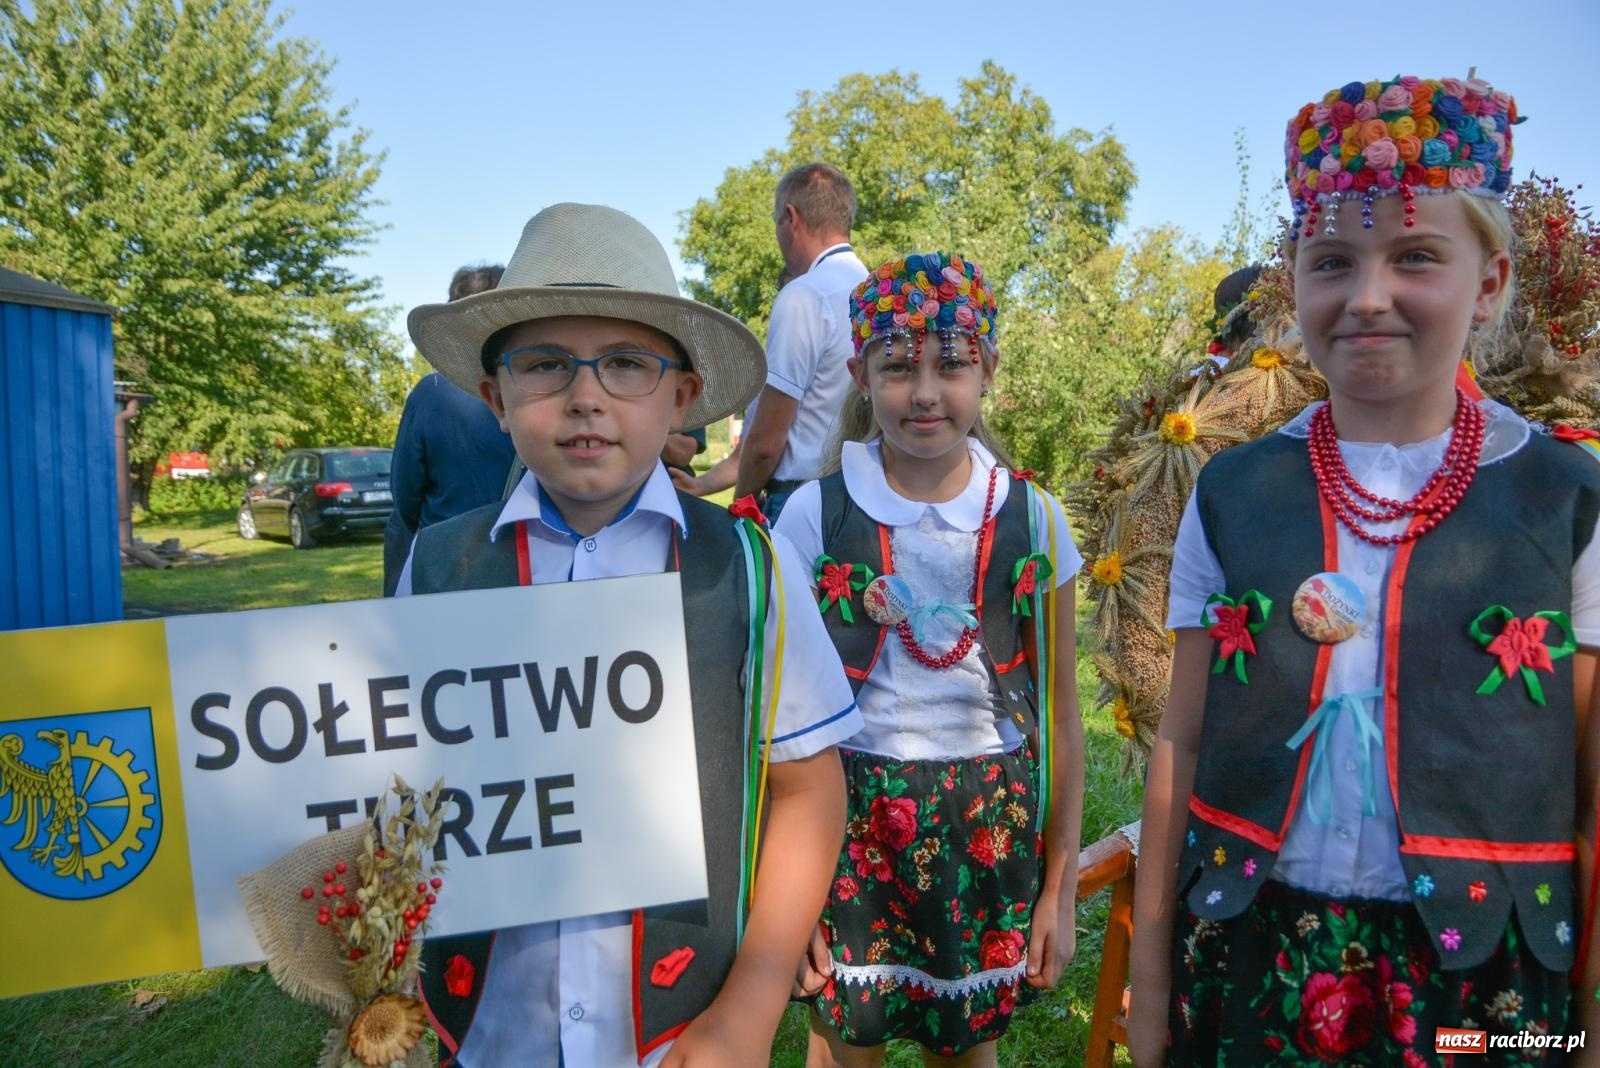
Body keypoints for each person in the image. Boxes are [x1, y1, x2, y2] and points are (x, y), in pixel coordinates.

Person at [1128, 75, 1600, 1066]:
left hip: (1493, 971)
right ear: (1295, 281)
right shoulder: (1234, 493)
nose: (1367, 295)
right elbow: (1181, 739)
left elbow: (1589, 772)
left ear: (1489, 283)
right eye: (1332, 261)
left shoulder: (1563, 496)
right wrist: (1151, 974)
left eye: (1416, 256)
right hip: (1255, 940)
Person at [395, 202, 862, 1067]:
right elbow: (388, 785)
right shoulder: (435, 568)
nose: (585, 397)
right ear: (495, 398)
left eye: (626, 365)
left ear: (682, 397)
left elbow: (808, 790)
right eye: (543, 365)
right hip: (491, 1030)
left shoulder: (750, 569)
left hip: (682, 1031)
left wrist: (751, 1009)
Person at [777, 252, 1085, 1066]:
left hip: (987, 814)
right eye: (897, 367)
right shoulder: (814, 516)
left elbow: (1059, 714)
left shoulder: (1034, 519)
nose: (923, 392)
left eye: (950, 366)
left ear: (986, 371)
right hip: (849, 811)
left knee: (965, 1045)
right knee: (844, 1039)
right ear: (859, 374)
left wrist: (1058, 887)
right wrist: (786, 889)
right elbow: (777, 716)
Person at [728, 163, 867, 523]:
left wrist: (741, 505)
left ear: (790, 217)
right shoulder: (874, 292)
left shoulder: (804, 294)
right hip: (863, 496)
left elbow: (765, 443)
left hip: (799, 501)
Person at [381, 264, 518, 596]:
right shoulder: (541, 389)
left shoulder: (431, 393)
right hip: (525, 567)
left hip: (447, 571)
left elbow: (406, 501)